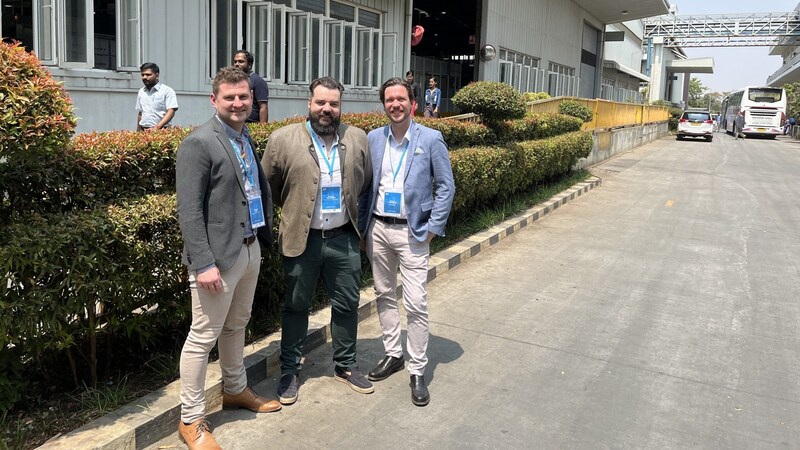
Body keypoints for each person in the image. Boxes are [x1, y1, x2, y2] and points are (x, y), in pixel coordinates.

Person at [176, 66, 280, 450]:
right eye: (230, 97)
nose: (238, 103)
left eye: (244, 96)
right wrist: (203, 264)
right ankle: (190, 419)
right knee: (202, 337)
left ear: (252, 100)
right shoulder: (198, 143)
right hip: (217, 259)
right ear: (214, 100)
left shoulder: (244, 136)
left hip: (249, 248)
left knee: (237, 326)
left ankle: (235, 390)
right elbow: (189, 211)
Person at [261, 77, 373, 405]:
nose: (327, 109)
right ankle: (289, 370)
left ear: (341, 107)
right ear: (308, 104)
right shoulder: (281, 140)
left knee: (347, 304)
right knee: (296, 306)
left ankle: (346, 365)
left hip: (343, 239)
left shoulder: (357, 138)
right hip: (301, 239)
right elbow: (271, 187)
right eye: (321, 103)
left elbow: (363, 183)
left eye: (333, 104)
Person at [358, 77, 455, 407]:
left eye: (401, 99)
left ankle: (417, 369)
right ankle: (392, 353)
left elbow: (445, 186)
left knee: (415, 302)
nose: (395, 104)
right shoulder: (373, 138)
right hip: (379, 230)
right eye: (389, 100)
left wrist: (433, 227)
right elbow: (366, 186)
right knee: (383, 293)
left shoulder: (431, 138)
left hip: (414, 232)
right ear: (383, 104)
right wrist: (363, 229)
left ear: (413, 103)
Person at [136, 62, 178, 131]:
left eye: (148, 75)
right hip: (144, 131)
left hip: (162, 131)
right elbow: (140, 113)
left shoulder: (167, 91)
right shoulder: (141, 92)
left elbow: (171, 111)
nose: (144, 77)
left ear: (157, 75)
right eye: (142, 75)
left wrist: (156, 128)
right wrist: (138, 131)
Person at [233, 49, 270, 124]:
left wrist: (262, 129)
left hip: (251, 125)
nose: (237, 64)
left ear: (249, 65)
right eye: (235, 61)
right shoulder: (233, 81)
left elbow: (263, 107)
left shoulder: (258, 82)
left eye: (241, 61)